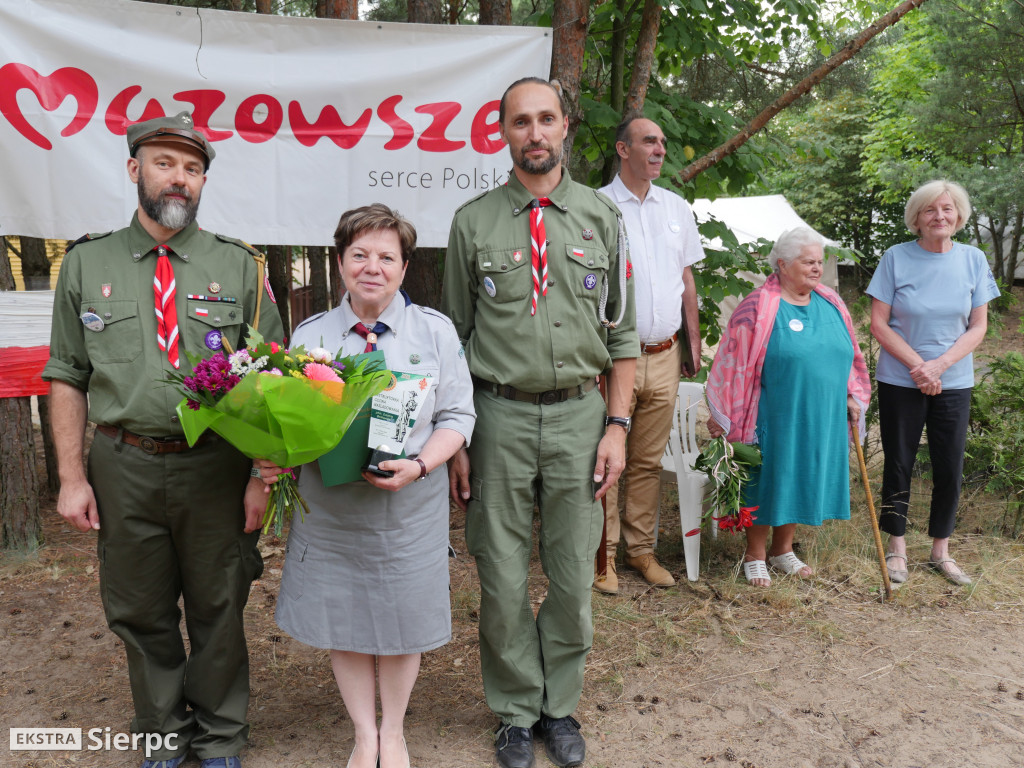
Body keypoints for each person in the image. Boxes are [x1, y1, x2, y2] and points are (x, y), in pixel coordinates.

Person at [43, 112, 286, 768]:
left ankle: (220, 737)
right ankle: (162, 733)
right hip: (123, 464)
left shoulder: (237, 265)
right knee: (140, 609)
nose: (178, 177)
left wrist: (261, 478)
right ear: (134, 170)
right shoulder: (87, 262)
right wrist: (71, 477)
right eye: (164, 162)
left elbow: (272, 376)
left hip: (216, 466)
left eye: (192, 167)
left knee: (219, 605)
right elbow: (66, 374)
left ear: (204, 180)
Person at [441, 77, 638, 768]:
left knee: (571, 576)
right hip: (496, 417)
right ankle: (516, 711)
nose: (535, 133)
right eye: (521, 121)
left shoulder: (601, 217)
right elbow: (455, 340)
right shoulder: (473, 223)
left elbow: (623, 336)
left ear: (564, 129)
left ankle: (560, 707)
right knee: (499, 576)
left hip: (582, 417)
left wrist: (616, 426)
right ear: (503, 133)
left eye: (546, 119)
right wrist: (457, 436)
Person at [265, 204, 475, 768]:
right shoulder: (311, 337)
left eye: (386, 256)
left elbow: (458, 416)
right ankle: (364, 734)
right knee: (346, 617)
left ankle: (396, 732)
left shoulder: (434, 332)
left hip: (410, 507)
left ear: (405, 267)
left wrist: (423, 465)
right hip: (333, 509)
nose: (372, 267)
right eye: (359, 255)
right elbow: (288, 422)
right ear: (340, 263)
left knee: (404, 620)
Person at [704, 227, 870, 587]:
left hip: (821, 413)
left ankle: (783, 550)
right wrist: (724, 414)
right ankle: (755, 554)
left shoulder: (831, 302)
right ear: (782, 264)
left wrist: (850, 395)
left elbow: (849, 356)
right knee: (768, 476)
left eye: (819, 261)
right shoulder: (757, 306)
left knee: (799, 474)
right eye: (808, 261)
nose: (817, 268)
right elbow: (731, 364)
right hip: (772, 412)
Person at [867, 180, 999, 587]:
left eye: (946, 209)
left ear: (958, 216)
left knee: (949, 465)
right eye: (930, 210)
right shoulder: (895, 258)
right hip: (900, 379)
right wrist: (919, 367)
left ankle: (941, 550)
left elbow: (979, 327)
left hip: (955, 380)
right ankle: (897, 547)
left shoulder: (974, 259)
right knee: (900, 462)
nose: (939, 216)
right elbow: (879, 323)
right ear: (917, 219)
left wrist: (939, 365)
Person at [594, 116, 705, 594]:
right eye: (648, 141)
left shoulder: (677, 208)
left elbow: (686, 281)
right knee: (607, 460)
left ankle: (641, 552)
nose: (659, 149)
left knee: (645, 461)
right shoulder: (595, 205)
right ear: (623, 149)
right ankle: (604, 560)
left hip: (665, 354)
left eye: (662, 142)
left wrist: (694, 340)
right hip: (613, 356)